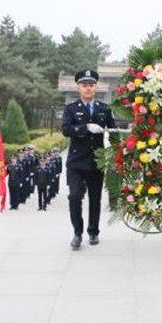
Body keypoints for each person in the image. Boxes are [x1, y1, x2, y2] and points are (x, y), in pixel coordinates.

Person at [61, 69, 116, 249]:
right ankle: (77, 233)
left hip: (96, 161)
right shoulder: (71, 109)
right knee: (74, 196)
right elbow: (66, 130)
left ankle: (93, 232)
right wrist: (85, 127)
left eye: (91, 85)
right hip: (76, 162)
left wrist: (118, 153)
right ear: (78, 88)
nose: (88, 88)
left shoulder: (104, 109)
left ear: (95, 87)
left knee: (95, 198)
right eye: (84, 85)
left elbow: (114, 133)